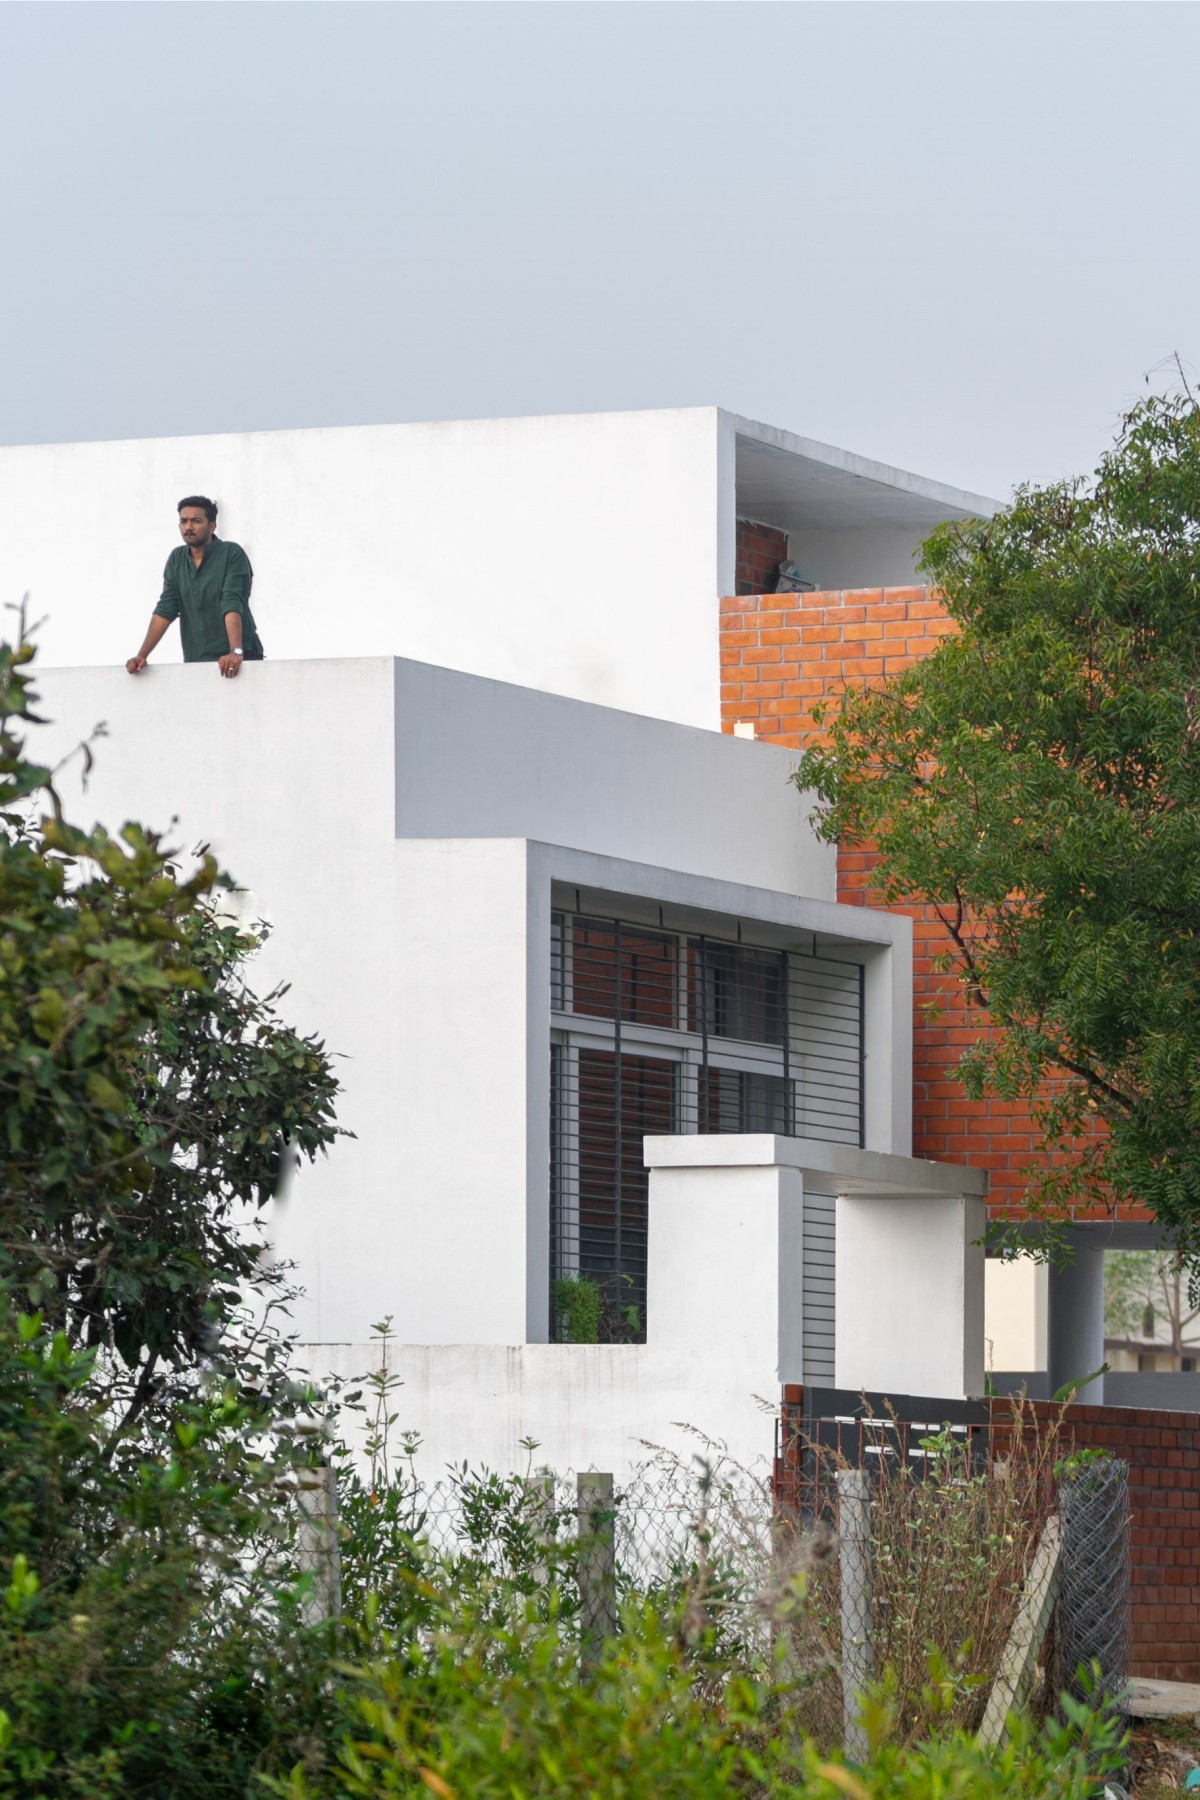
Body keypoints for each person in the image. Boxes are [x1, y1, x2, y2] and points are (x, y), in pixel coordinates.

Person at [127, 496, 263, 679]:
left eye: (196, 521)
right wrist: (141, 655)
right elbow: (166, 608)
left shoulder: (231, 553)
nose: (188, 527)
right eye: (184, 521)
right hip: (197, 660)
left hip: (241, 660)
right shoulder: (177, 558)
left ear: (212, 526)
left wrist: (236, 652)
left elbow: (232, 601)